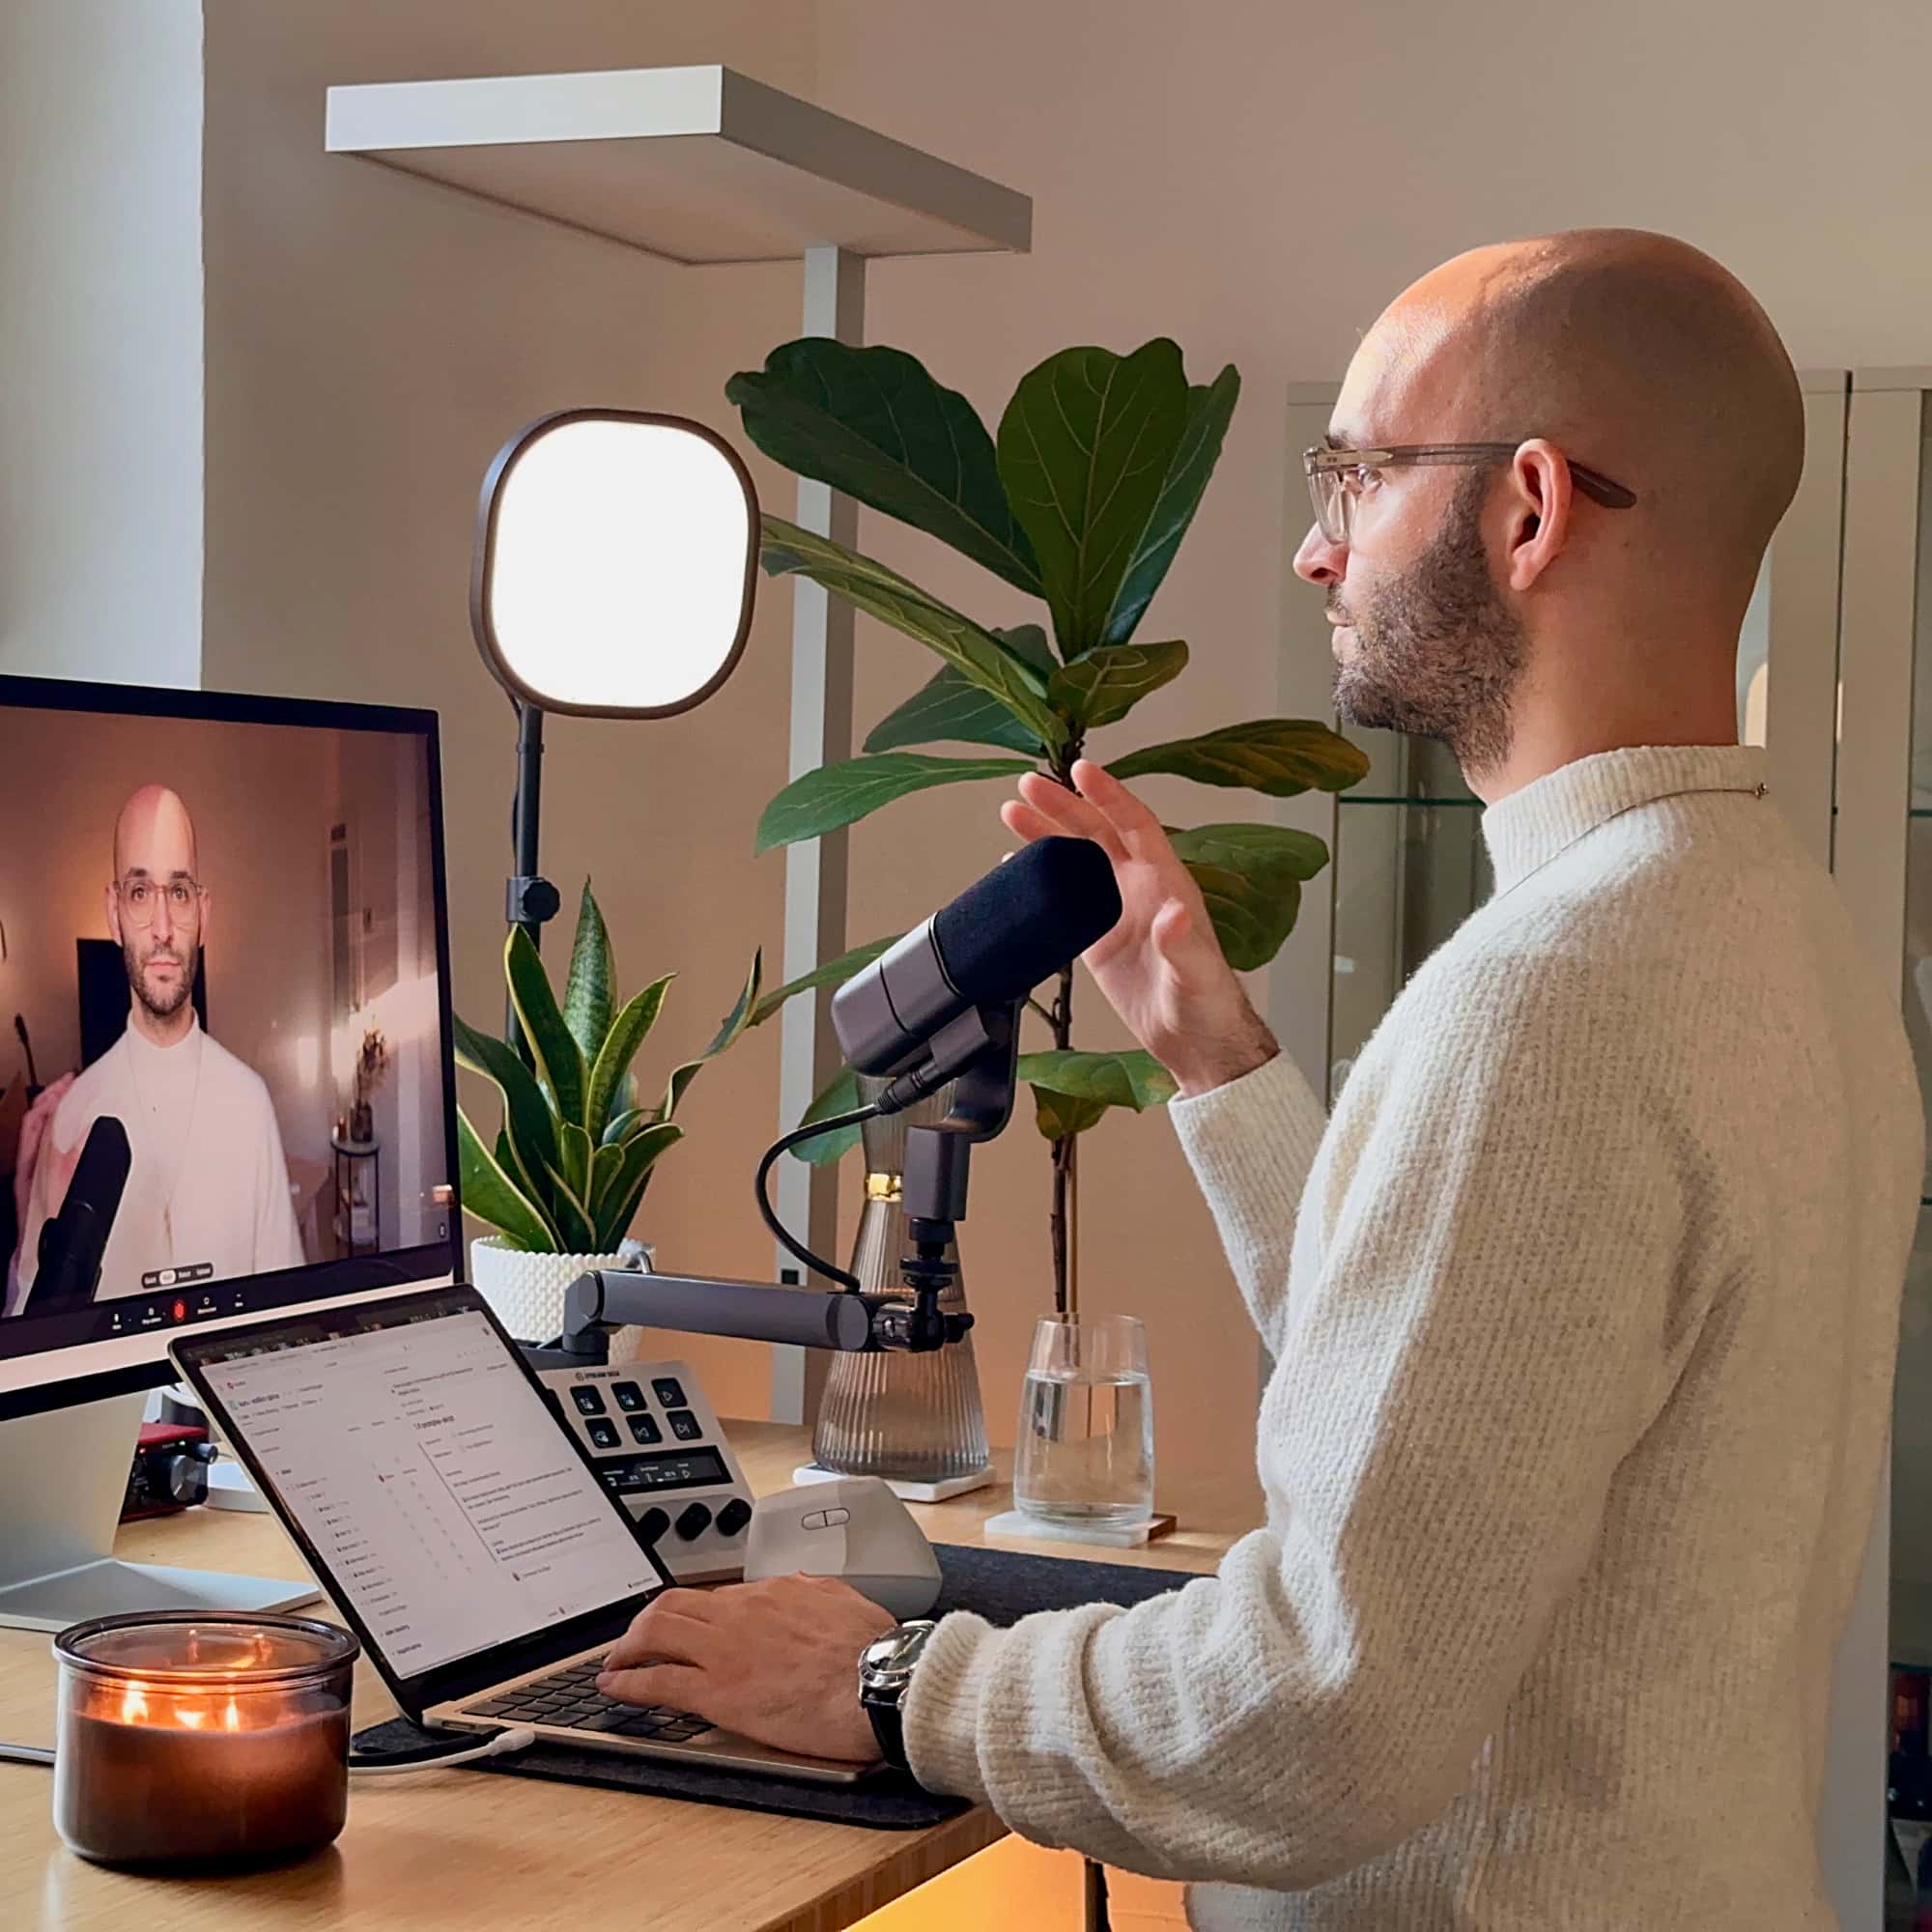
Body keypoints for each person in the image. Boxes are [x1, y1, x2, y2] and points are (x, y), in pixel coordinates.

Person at [597, 230, 1922, 1927]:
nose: (1316, 548)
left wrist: (893, 1687)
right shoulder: (1777, 932)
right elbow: (1457, 1420)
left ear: (1527, 508)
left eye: (1358, 474)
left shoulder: (1553, 995)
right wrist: (1210, 1050)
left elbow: (1330, 1711)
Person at [5, 784, 303, 1316]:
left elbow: (286, 1313)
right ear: (113, 910)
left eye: (180, 892)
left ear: (203, 914)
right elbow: (32, 1334)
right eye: (140, 893)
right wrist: (30, 1208)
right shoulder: (74, 1114)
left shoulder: (249, 1102)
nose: (163, 929)